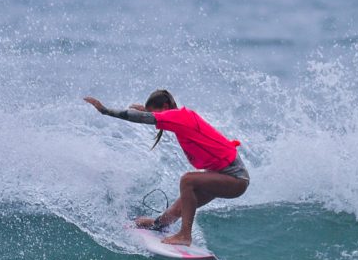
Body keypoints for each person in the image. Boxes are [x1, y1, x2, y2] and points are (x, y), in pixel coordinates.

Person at [84, 90, 249, 246]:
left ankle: (185, 235)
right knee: (177, 210)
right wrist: (149, 113)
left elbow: (142, 118)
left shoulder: (180, 116)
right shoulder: (180, 118)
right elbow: (155, 117)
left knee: (188, 180)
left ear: (165, 107)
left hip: (235, 179)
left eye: (155, 114)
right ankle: (157, 225)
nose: (154, 118)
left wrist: (106, 111)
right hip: (221, 176)